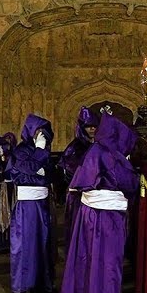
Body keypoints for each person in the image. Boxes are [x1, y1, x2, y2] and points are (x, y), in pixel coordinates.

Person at [59, 116, 139, 293]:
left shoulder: (95, 151)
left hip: (91, 214)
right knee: (107, 266)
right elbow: (128, 182)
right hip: (106, 217)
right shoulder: (108, 154)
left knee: (88, 262)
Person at [6, 114, 55, 293]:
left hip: (42, 202)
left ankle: (42, 283)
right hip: (26, 205)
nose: (41, 136)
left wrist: (41, 167)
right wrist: (39, 155)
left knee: (42, 243)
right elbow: (26, 169)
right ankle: (21, 287)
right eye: (38, 131)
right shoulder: (21, 151)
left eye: (44, 132)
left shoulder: (43, 151)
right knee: (24, 244)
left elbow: (49, 174)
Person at [60, 106, 100, 249]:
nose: (92, 129)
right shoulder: (75, 147)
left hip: (96, 194)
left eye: (94, 126)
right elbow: (70, 168)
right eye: (88, 126)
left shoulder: (100, 145)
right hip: (78, 194)